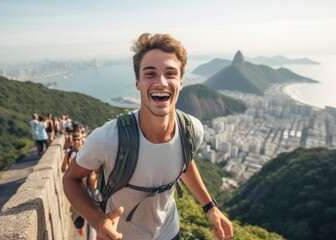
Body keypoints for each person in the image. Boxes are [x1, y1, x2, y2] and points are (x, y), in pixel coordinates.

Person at [63, 33, 233, 240]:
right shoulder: (108, 139)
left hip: (171, 233)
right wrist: (98, 220)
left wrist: (210, 207)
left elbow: (184, 162)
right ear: (138, 81)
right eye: (150, 74)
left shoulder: (192, 130)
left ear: (180, 82)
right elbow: (71, 179)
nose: (161, 82)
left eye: (170, 73)